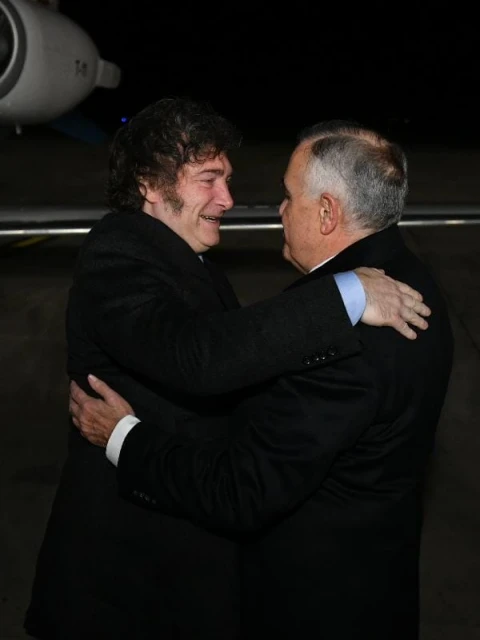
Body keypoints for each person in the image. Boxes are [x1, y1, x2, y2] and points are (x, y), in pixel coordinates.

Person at [25, 99, 430, 640]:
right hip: (126, 579)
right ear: (149, 183)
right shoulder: (116, 256)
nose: (228, 199)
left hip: (184, 555)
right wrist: (345, 295)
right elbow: (199, 358)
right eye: (208, 180)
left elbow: (240, 365)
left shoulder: (185, 259)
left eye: (227, 179)